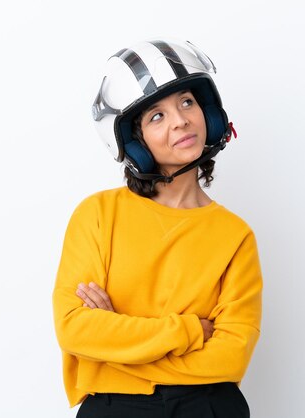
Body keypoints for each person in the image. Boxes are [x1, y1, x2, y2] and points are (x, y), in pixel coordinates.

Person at [52, 38, 263, 418]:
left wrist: (114, 353)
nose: (181, 119)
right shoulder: (98, 214)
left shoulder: (235, 235)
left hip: (208, 408)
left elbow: (230, 356)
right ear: (136, 142)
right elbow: (75, 329)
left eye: (186, 102)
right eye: (156, 116)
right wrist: (190, 331)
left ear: (208, 113)